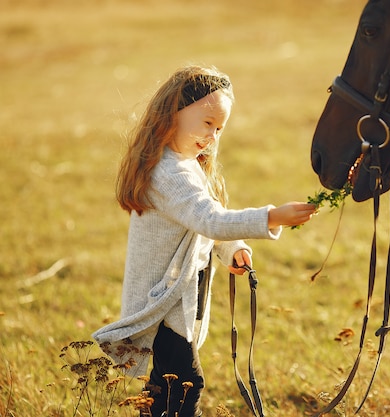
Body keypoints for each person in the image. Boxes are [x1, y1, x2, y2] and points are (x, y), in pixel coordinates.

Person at [92, 65, 316, 417]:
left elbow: (201, 223)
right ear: (173, 113)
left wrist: (233, 249)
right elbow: (210, 220)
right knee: (184, 384)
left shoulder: (184, 163)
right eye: (207, 122)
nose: (213, 136)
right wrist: (272, 216)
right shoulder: (169, 172)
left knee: (167, 387)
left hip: (178, 298)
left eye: (220, 128)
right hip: (163, 304)